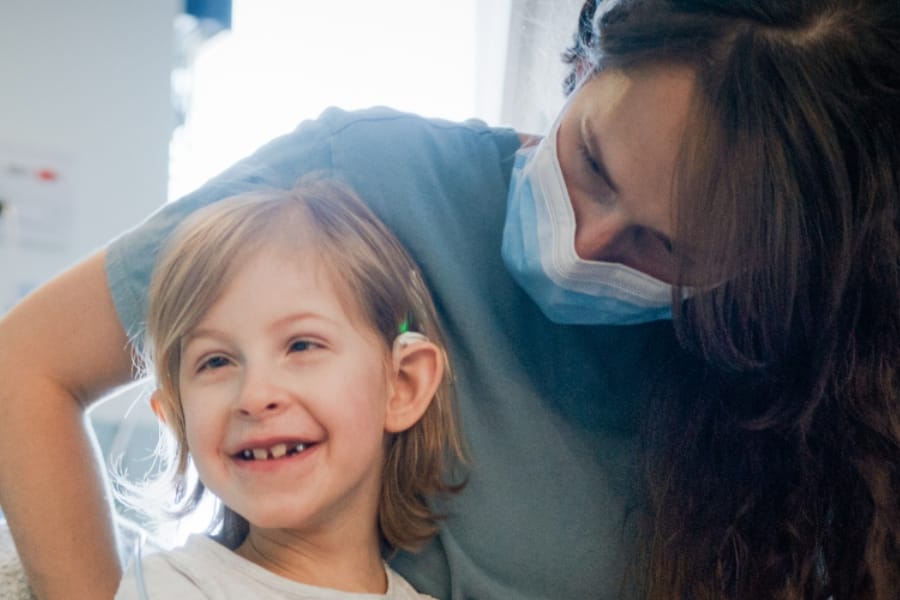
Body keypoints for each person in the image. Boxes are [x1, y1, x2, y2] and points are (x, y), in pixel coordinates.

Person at [0, 1, 897, 598]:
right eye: (592, 161)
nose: (588, 239)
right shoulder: (362, 179)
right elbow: (25, 365)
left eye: (665, 247)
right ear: (585, 62)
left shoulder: (817, 414)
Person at [114, 177, 465, 599]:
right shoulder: (169, 588)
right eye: (216, 361)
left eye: (302, 345)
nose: (255, 396)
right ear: (177, 419)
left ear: (403, 384)